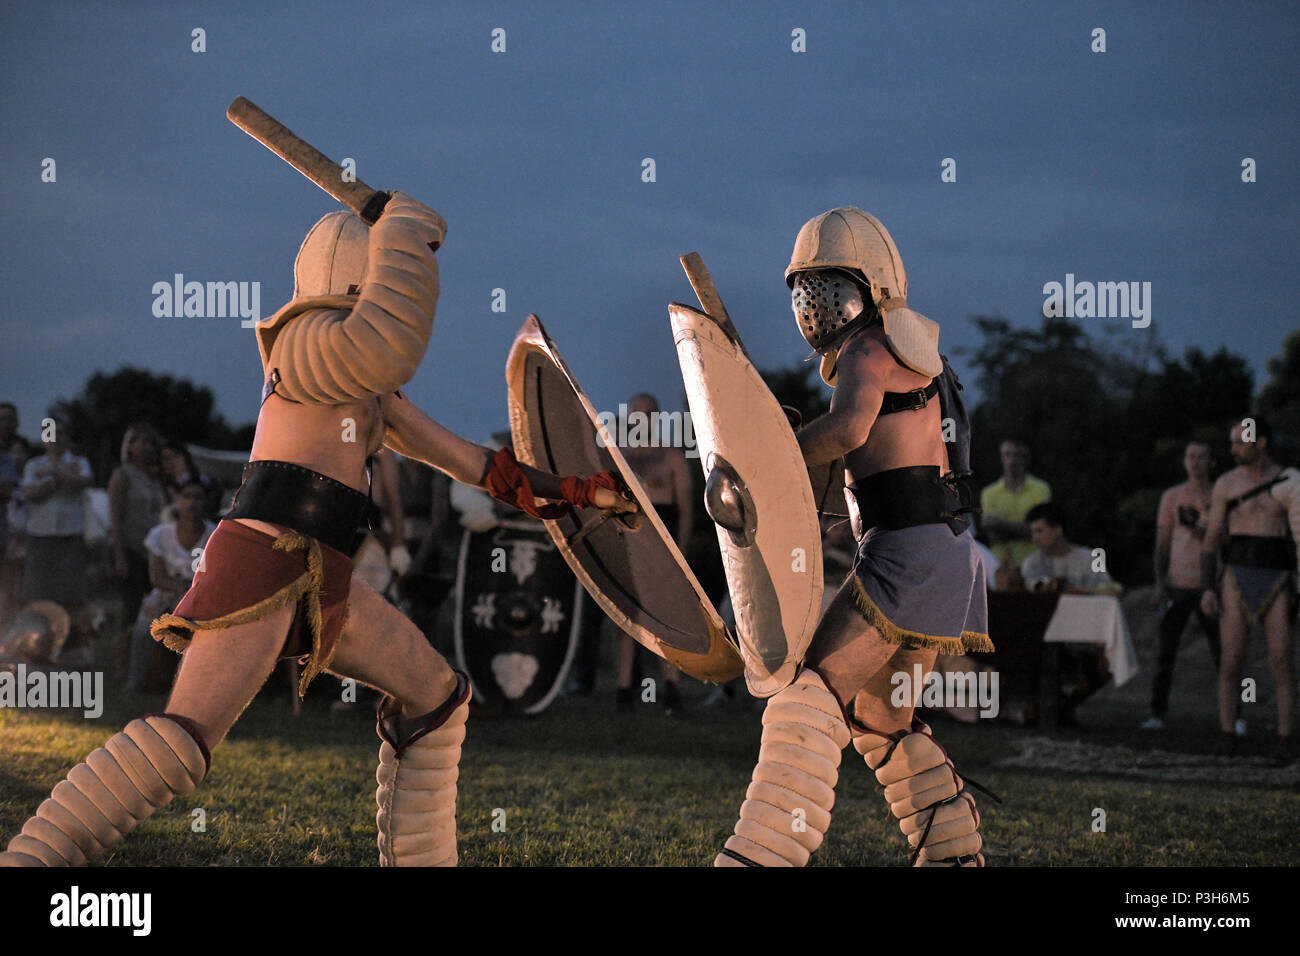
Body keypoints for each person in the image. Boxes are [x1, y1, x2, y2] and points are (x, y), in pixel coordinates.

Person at [0, 191, 636, 869]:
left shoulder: (368, 385)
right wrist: (405, 228)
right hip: (265, 556)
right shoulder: (300, 346)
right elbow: (385, 340)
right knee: (183, 743)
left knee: (436, 699)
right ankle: (34, 861)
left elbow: (475, 464)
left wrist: (574, 493)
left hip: (323, 573)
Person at [716, 207, 992, 868]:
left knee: (806, 698)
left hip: (911, 556)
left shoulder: (870, 349)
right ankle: (955, 855)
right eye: (804, 290)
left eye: (829, 286)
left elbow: (849, 432)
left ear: (873, 286)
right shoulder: (923, 360)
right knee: (881, 720)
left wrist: (768, 458)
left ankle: (758, 856)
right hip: (945, 551)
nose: (813, 305)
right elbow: (878, 469)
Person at [1200, 416, 1296, 764]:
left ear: (1262, 442)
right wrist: (1207, 588)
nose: (1234, 448)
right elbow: (1210, 543)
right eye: (1232, 441)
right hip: (1236, 574)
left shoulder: (1287, 482)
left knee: (1282, 659)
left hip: (1276, 573)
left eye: (1241, 441)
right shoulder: (1226, 483)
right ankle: (1228, 734)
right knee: (1230, 660)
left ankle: (1285, 739)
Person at [614, 393, 693, 715]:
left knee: (665, 618)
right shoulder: (619, 457)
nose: (640, 420)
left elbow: (686, 508)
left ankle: (671, 690)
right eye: (635, 414)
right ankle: (623, 692)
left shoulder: (670, 457)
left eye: (647, 415)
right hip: (630, 541)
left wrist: (681, 553)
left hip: (665, 542)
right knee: (627, 618)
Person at [1144, 440, 1225, 731]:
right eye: (1191, 456)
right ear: (1184, 461)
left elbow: (1232, 537)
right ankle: (1156, 713)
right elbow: (1162, 544)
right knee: (1165, 652)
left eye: (1202, 457)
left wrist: (1211, 530)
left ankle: (1234, 715)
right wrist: (1159, 583)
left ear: (1211, 462)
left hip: (1211, 585)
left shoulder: (1222, 493)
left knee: (1224, 654)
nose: (1196, 462)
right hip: (1177, 582)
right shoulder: (1172, 496)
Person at [125, 480, 216, 692]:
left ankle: (186, 687)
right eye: (187, 497)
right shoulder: (160, 534)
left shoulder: (213, 535)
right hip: (167, 589)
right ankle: (135, 679)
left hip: (198, 594)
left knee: (185, 627)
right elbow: (156, 577)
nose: (192, 503)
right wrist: (177, 590)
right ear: (177, 501)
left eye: (198, 498)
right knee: (143, 627)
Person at [17, 418, 94, 660]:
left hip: (70, 535)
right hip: (40, 536)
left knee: (71, 595)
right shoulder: (33, 464)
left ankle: (70, 649)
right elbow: (30, 493)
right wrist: (58, 478)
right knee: (38, 592)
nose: (55, 438)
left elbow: (82, 481)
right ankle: (37, 647)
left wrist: (52, 474)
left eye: (60, 433)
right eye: (50, 433)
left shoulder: (79, 463)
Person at [107, 422, 167, 639]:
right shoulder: (122, 475)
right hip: (131, 548)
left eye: (150, 442)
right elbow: (114, 516)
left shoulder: (155, 478)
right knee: (132, 607)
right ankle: (126, 657)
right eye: (140, 442)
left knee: (155, 606)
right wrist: (119, 555)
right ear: (129, 446)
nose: (146, 447)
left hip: (153, 551)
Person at [980, 439, 1051, 569]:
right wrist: (1025, 529)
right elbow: (993, 536)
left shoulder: (1041, 489)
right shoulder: (989, 493)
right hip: (1000, 567)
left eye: (1018, 455)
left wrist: (1000, 525)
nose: (1012, 460)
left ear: (1026, 458)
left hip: (1034, 566)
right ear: (1001, 458)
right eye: (1008, 454)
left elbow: (1041, 531)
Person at [1020, 502, 1116, 591]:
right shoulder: (1032, 563)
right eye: (1032, 533)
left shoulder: (1090, 559)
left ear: (1058, 530)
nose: (1035, 538)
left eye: (1040, 531)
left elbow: (1106, 592)